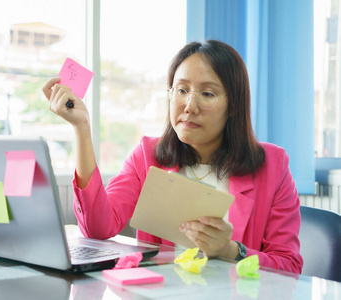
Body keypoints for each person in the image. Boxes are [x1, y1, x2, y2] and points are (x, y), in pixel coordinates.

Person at [42, 40, 303, 274]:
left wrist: (230, 251)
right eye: (181, 90)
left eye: (207, 94)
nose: (189, 106)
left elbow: (289, 266)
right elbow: (98, 229)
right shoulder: (147, 155)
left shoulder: (273, 165)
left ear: (234, 106)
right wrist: (82, 129)